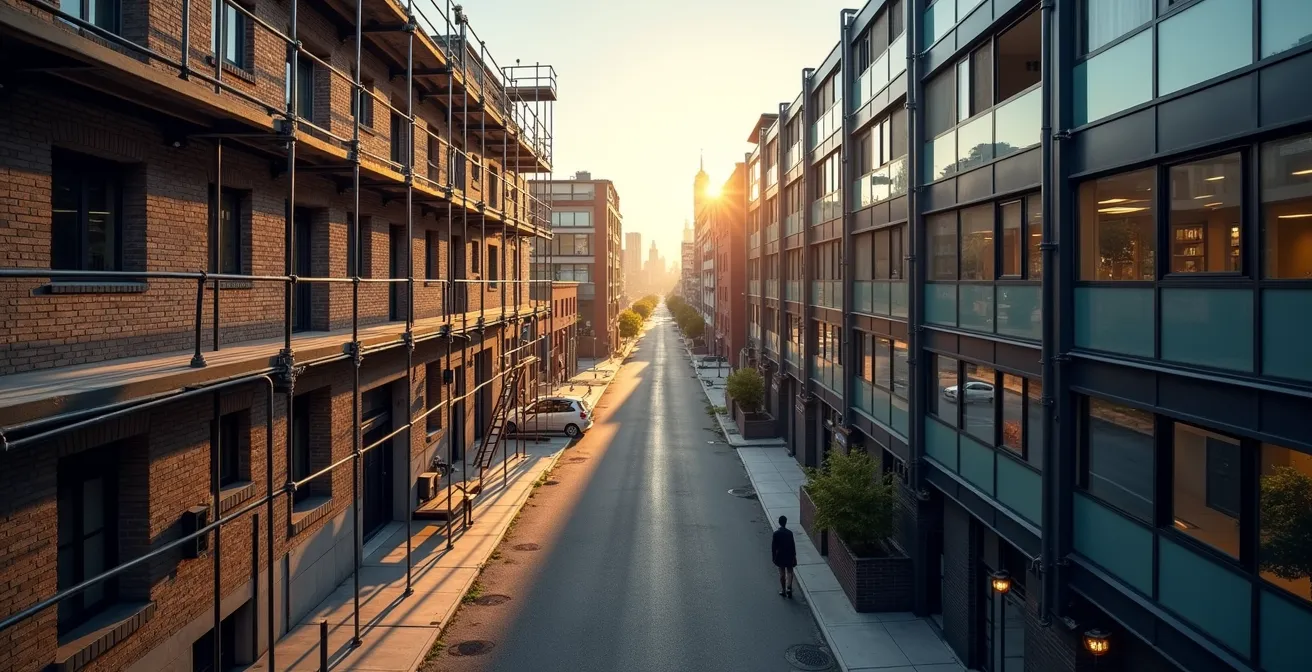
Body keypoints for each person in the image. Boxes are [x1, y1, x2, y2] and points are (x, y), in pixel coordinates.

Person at [772, 515, 797, 597]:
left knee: (782, 573)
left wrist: (774, 557)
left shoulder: (776, 534)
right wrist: (794, 556)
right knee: (790, 571)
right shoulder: (790, 533)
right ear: (785, 522)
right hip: (789, 555)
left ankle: (783, 590)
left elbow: (774, 547)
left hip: (780, 556)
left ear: (779, 523)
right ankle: (789, 587)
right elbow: (793, 546)